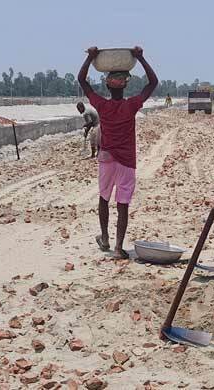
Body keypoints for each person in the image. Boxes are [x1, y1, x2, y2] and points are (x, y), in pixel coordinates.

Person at [78, 46, 159, 259]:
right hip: (126, 161)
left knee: (104, 198)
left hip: (106, 159)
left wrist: (90, 57)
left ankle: (104, 238)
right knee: (122, 204)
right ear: (125, 86)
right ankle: (118, 246)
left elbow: (82, 80)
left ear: (107, 85)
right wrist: (141, 57)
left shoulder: (102, 106)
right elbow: (153, 83)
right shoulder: (131, 105)